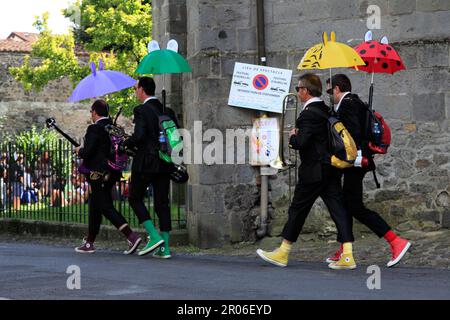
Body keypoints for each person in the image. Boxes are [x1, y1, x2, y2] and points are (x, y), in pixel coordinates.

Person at [256, 73, 356, 270]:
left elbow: (302, 143)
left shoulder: (308, 114)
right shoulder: (327, 110)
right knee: (338, 209)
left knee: (297, 210)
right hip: (330, 168)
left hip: (313, 171)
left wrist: (294, 137)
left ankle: (283, 252)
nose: (297, 92)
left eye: (298, 88)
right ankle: (348, 255)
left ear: (305, 91)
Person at [325, 74, 411, 267]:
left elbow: (353, 134)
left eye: (330, 91)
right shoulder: (351, 104)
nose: (329, 95)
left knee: (355, 207)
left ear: (337, 89)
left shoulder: (348, 105)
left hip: (356, 162)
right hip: (354, 161)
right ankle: (344, 249)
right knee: (346, 204)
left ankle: (396, 241)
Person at [74, 99, 142, 254]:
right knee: (95, 204)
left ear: (95, 112)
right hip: (113, 172)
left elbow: (88, 152)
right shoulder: (113, 128)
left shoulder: (94, 129)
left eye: (91, 112)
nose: (91, 115)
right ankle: (90, 242)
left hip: (98, 173)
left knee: (104, 205)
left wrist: (79, 151)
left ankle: (131, 236)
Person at [123, 77, 180, 259]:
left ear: (142, 89)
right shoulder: (168, 110)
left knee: (134, 198)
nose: (135, 91)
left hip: (146, 163)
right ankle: (165, 248)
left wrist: (126, 142)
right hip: (165, 162)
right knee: (162, 203)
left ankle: (154, 236)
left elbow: (139, 136)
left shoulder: (141, 110)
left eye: (135, 88)